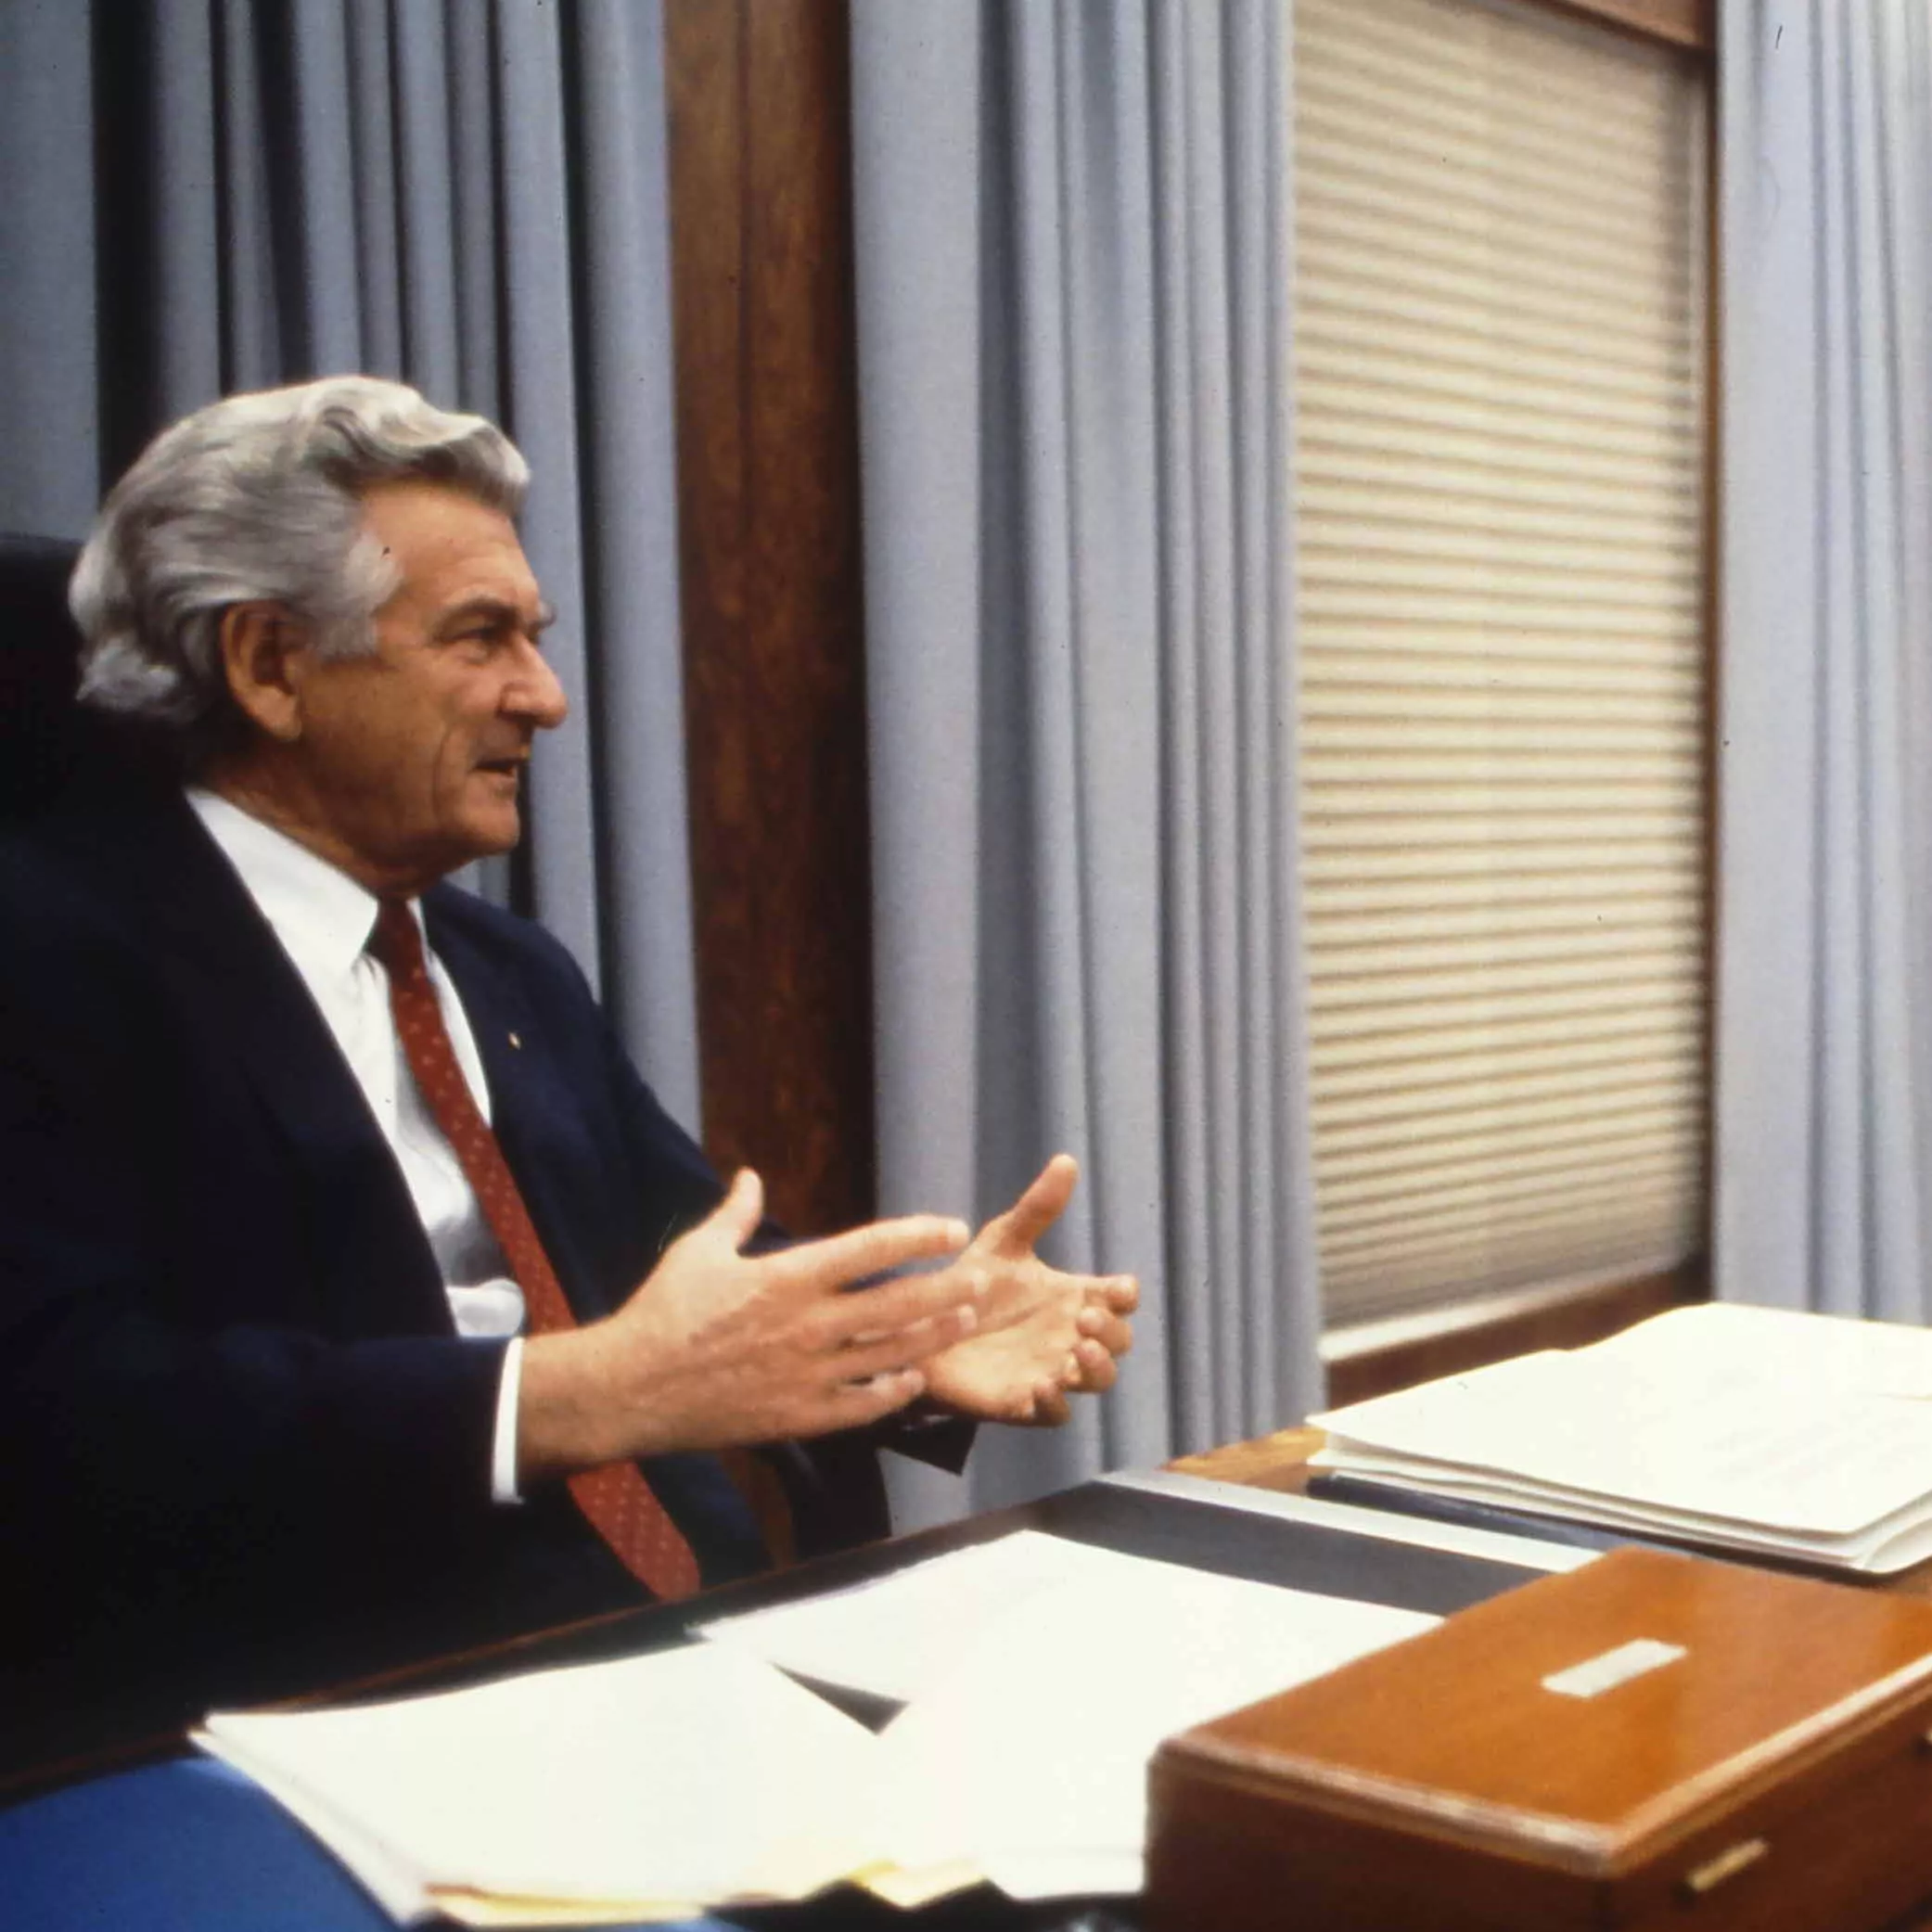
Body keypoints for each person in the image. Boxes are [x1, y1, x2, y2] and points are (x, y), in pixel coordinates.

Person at [0, 377, 1135, 1751]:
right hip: (326, 1701)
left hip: (683, 1649)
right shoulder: (54, 956)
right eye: (480, 638)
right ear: (271, 665)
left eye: (534, 638)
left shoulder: (503, 967)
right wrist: (581, 1394)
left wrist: (919, 1328)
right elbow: (72, 1413)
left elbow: (699, 1257)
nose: (544, 698)